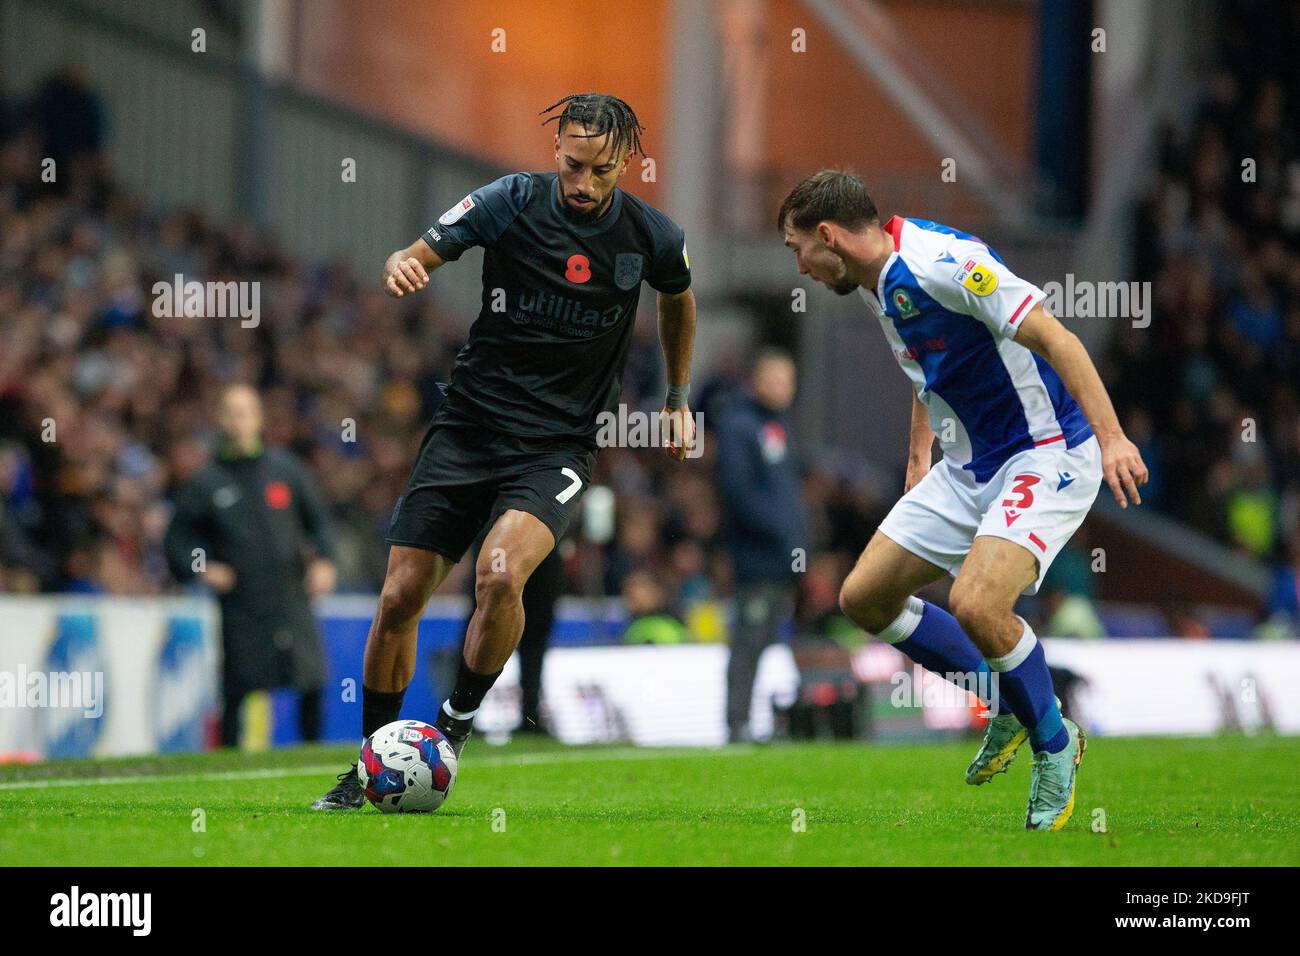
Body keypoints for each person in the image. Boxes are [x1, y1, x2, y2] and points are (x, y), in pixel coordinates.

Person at [312, 93, 697, 810]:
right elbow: (422, 250)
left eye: (602, 172)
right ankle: (371, 766)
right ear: (557, 150)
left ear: (625, 164)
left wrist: (677, 398)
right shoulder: (510, 201)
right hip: (467, 428)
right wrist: (404, 263)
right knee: (399, 596)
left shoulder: (652, 236)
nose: (583, 185)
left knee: (498, 574)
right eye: (574, 166)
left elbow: (679, 297)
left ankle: (451, 731)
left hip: (558, 446)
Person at [778, 170, 1148, 830]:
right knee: (865, 598)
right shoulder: (874, 281)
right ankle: (1000, 694)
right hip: (970, 461)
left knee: (977, 601)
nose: (798, 266)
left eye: (796, 248)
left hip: (1048, 450)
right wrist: (920, 456)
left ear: (828, 236)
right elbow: (927, 370)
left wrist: (1115, 438)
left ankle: (1057, 746)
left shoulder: (946, 266)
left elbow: (1057, 338)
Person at [165, 384, 338, 747]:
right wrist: (202, 567)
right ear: (220, 419)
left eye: (245, 411)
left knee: (311, 678)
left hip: (291, 594)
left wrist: (324, 561)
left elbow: (320, 521)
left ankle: (313, 755)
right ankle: (228, 760)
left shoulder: (286, 470)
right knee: (238, 686)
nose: (237, 420)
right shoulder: (206, 482)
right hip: (241, 600)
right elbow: (178, 540)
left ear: (258, 418)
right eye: (230, 411)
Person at [716, 349, 809, 741]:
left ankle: (773, 720)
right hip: (756, 556)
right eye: (774, 380)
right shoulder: (739, 426)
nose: (782, 388)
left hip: (782, 558)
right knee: (748, 641)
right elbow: (737, 492)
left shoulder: (779, 426)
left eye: (787, 380)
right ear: (755, 381)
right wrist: (779, 533)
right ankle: (737, 723)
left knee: (770, 639)